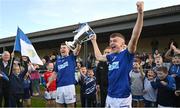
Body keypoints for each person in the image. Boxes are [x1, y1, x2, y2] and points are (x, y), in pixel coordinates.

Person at [90, 1, 144, 107]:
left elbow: (135, 36)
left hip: (123, 98)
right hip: (110, 96)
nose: (111, 43)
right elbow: (98, 57)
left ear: (123, 44)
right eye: (110, 41)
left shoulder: (127, 54)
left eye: (115, 41)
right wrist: (94, 41)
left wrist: (140, 13)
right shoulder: (111, 56)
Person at [47, 43, 81, 107]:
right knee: (59, 105)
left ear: (68, 49)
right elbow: (55, 73)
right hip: (59, 86)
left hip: (69, 86)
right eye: (61, 48)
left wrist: (78, 42)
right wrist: (49, 83)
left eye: (64, 48)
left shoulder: (71, 57)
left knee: (70, 105)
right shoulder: (58, 61)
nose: (62, 49)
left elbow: (78, 49)